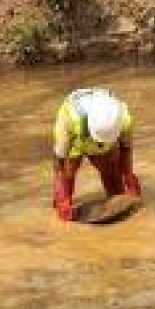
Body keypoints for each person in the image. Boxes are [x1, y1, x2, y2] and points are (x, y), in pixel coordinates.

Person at [51, 88, 142, 221]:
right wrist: (61, 189)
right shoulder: (69, 119)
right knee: (68, 175)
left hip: (105, 139)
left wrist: (128, 175)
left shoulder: (123, 119)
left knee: (113, 178)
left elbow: (126, 148)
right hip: (76, 139)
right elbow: (59, 159)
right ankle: (63, 206)